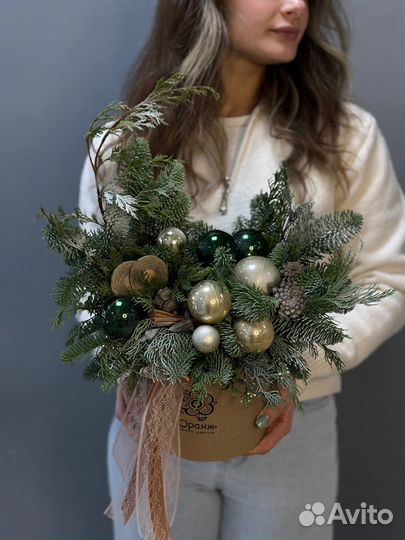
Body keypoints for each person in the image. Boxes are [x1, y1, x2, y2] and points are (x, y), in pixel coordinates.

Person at [76, 1, 405, 538]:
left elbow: (388, 278)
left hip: (290, 431)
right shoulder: (125, 140)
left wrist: (292, 367)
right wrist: (131, 360)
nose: (296, 4)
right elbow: (94, 282)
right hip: (158, 425)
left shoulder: (344, 137)